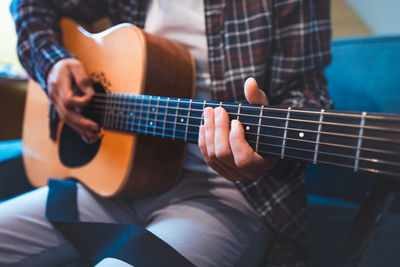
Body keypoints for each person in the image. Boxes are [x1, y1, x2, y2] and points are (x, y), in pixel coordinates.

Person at [2, 0, 332, 266]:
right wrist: (52, 64)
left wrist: (269, 156)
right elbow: (29, 5)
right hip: (113, 181)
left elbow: (307, 98)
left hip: (228, 195)